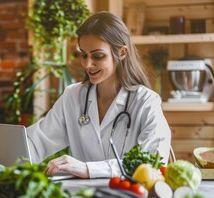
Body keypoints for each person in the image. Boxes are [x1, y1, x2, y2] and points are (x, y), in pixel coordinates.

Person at [26, 11, 171, 179]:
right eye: (83, 55)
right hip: (81, 197)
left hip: (129, 197)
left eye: (98, 56)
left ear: (122, 53)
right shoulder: (72, 96)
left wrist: (88, 169)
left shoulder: (146, 101)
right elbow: (37, 142)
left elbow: (154, 162)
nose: (88, 64)